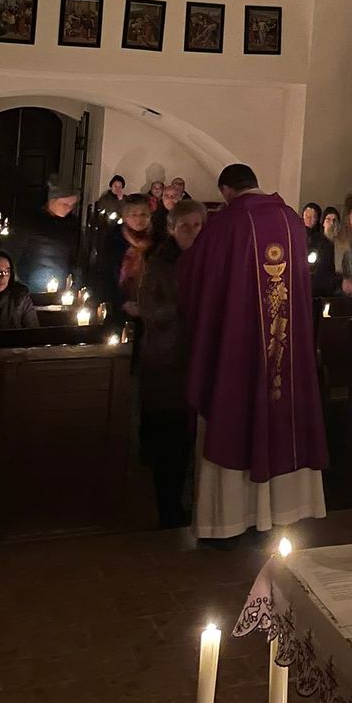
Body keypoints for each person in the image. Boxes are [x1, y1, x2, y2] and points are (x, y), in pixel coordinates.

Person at [180, 162, 327, 542]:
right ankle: (287, 512)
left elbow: (196, 282)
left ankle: (230, 523)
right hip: (286, 350)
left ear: (226, 190)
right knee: (284, 411)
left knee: (233, 416)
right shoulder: (292, 220)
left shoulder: (225, 224)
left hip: (238, 349)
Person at [136, 199, 206, 527]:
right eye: (185, 226)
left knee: (195, 444)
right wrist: (184, 305)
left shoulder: (209, 259)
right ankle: (169, 512)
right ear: (172, 229)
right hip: (168, 363)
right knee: (170, 443)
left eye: (197, 225)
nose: (192, 232)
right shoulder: (159, 264)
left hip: (199, 361)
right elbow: (150, 310)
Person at [17, 181, 81, 291]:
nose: (68, 208)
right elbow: (19, 251)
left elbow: (76, 255)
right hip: (33, 282)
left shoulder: (72, 224)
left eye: (72, 205)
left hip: (61, 280)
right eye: (65, 204)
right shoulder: (33, 221)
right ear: (52, 201)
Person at [99, 194, 155, 317]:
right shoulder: (113, 240)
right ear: (125, 217)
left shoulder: (158, 240)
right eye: (133, 214)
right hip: (118, 306)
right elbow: (105, 275)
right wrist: (121, 302)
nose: (139, 219)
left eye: (143, 214)